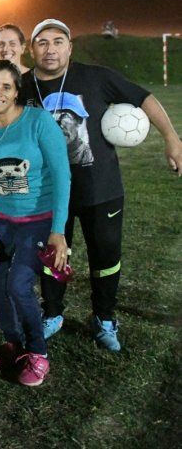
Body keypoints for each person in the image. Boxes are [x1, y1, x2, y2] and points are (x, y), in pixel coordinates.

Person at [20, 18, 182, 351]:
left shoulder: (96, 77)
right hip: (48, 193)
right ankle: (52, 313)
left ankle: (104, 318)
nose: (50, 49)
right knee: (52, 256)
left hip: (101, 190)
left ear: (69, 47)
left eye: (57, 41)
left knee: (105, 256)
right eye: (42, 42)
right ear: (31, 48)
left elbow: (144, 97)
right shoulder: (21, 86)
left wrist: (171, 138)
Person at [0, 60, 70, 385]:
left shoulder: (38, 123)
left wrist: (58, 231)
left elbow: (62, 176)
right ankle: (13, 344)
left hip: (36, 222)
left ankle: (38, 352)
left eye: (6, 86)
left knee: (18, 285)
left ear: (16, 92)